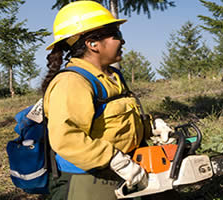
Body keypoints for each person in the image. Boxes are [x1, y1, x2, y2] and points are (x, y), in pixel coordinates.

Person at [42, 1, 178, 200]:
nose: (122, 42)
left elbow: (116, 119)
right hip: (87, 177)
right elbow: (66, 138)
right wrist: (116, 160)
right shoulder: (71, 82)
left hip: (128, 169)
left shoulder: (112, 76)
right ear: (93, 43)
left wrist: (151, 127)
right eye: (117, 35)